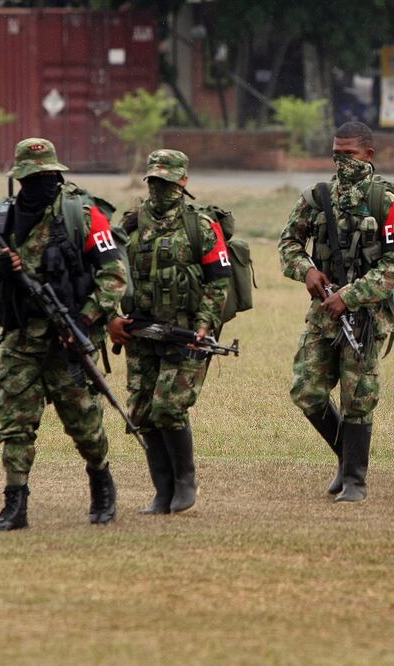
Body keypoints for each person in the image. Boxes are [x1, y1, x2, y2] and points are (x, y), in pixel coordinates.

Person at [0, 138, 127, 530]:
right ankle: (14, 504)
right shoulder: (3, 216)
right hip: (19, 338)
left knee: (85, 422)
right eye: (30, 177)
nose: (37, 184)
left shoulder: (82, 213)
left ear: (56, 175)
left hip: (68, 338)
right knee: (15, 422)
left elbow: (114, 276)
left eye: (43, 177)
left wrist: (85, 322)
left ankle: (101, 483)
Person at [278, 121, 394, 503]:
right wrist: (307, 271)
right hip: (324, 313)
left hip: (365, 317)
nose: (341, 162)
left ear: (369, 155)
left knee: (358, 396)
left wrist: (350, 297)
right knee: (306, 390)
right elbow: (288, 243)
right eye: (336, 154)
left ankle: (354, 479)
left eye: (349, 154)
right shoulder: (317, 197)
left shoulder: (387, 202)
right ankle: (344, 455)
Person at [108, 150, 232, 514]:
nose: (160, 188)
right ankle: (162, 490)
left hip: (185, 332)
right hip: (141, 333)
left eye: (167, 182)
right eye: (154, 181)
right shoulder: (131, 224)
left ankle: (184, 483)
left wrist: (204, 325)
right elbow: (109, 276)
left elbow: (218, 282)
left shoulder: (201, 227)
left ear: (183, 182)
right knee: (142, 411)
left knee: (169, 407)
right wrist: (112, 320)